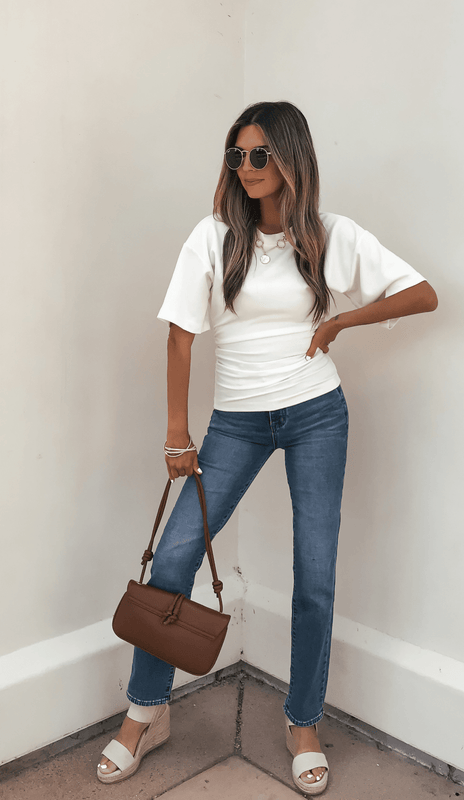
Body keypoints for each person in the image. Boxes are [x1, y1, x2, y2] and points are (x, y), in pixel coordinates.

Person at [97, 100, 437, 793]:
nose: (246, 168)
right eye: (237, 155)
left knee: (314, 576)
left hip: (317, 414)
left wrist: (342, 321)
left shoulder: (327, 235)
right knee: (172, 559)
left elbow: (421, 293)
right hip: (236, 422)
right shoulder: (214, 236)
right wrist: (175, 433)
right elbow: (180, 336)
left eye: (259, 155)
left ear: (290, 158)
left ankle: (302, 721)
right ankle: (146, 711)